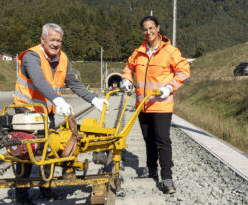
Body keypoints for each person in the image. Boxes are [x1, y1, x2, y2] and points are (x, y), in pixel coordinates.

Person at [13, 23, 109, 204]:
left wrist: (93, 99)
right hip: (25, 111)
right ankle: (21, 196)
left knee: (49, 149)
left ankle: (45, 187)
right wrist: (57, 100)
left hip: (45, 112)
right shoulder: (31, 56)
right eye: (52, 40)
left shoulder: (63, 58)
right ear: (43, 40)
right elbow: (39, 80)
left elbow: (73, 82)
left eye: (59, 40)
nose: (56, 44)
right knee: (26, 154)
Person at [122, 16, 190, 194]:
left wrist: (170, 87)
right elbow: (128, 68)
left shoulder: (170, 51)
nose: (148, 32)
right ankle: (151, 170)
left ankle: (167, 178)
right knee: (148, 140)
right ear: (142, 31)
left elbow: (184, 71)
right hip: (142, 106)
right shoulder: (138, 52)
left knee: (162, 141)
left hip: (161, 105)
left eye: (151, 28)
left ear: (158, 28)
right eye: (145, 29)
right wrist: (127, 80)